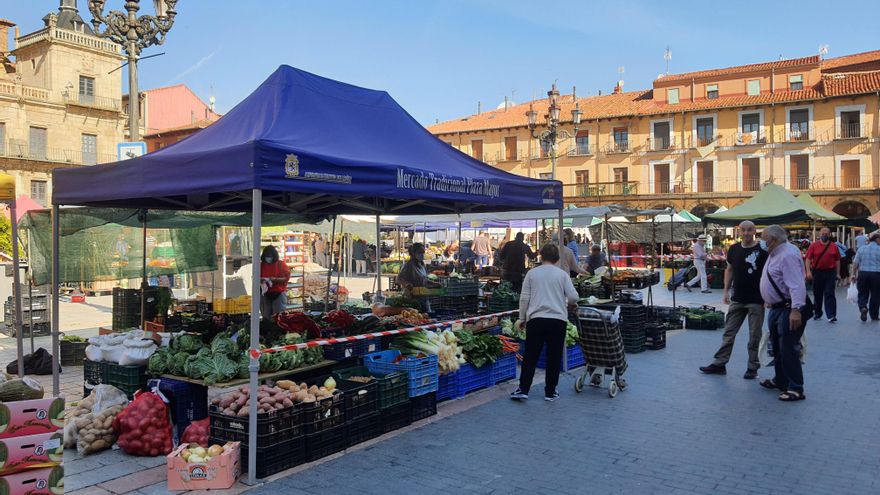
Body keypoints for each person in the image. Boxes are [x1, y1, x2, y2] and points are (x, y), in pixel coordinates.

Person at [510, 243, 579, 402]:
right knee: (553, 357)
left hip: (536, 320)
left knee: (531, 356)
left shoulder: (532, 274)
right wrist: (569, 303)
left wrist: (522, 318)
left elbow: (524, 298)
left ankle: (524, 389)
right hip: (558, 321)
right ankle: (550, 392)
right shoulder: (562, 275)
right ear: (557, 259)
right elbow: (574, 297)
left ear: (541, 256)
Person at [699, 221, 767, 379]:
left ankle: (752, 367)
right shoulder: (734, 249)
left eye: (749, 230)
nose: (746, 233)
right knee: (729, 332)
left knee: (754, 336)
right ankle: (720, 363)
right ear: (739, 231)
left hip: (757, 300)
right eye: (743, 230)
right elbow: (729, 269)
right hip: (738, 298)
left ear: (754, 231)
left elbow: (769, 272)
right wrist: (725, 291)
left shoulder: (762, 250)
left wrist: (767, 296)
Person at [759, 225, 808, 402]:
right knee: (778, 348)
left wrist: (796, 310)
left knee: (788, 348)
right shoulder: (776, 253)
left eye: (763, 239)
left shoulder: (786, 255)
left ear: (773, 240)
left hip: (787, 308)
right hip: (776, 307)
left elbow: (796, 284)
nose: (761, 242)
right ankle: (780, 379)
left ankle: (796, 388)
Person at [804, 227, 840, 323]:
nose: (824, 235)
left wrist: (838, 273)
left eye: (826, 233)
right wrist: (808, 271)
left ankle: (831, 315)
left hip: (830, 272)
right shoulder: (813, 246)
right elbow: (808, 259)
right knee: (817, 293)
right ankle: (817, 312)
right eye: (823, 233)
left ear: (829, 235)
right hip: (818, 272)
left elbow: (837, 260)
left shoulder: (834, 246)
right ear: (820, 234)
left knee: (830, 293)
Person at [397, 243, 439, 309]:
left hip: (424, 298)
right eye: (420, 253)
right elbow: (399, 278)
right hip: (412, 300)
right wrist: (407, 284)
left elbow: (424, 280)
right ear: (414, 253)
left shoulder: (422, 264)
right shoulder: (409, 265)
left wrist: (434, 283)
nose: (422, 255)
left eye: (423, 252)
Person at [852, 231, 880, 321]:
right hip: (876, 274)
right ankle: (874, 315)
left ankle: (863, 307)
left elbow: (855, 262)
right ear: (877, 239)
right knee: (876, 295)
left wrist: (853, 274)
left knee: (862, 293)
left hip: (863, 274)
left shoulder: (862, 249)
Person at [259, 245, 290, 319]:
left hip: (278, 293)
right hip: (265, 294)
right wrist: (261, 280)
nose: (268, 257)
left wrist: (275, 279)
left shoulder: (281, 264)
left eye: (270, 256)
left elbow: (286, 278)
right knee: (266, 316)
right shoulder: (261, 265)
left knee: (278, 317)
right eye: (267, 255)